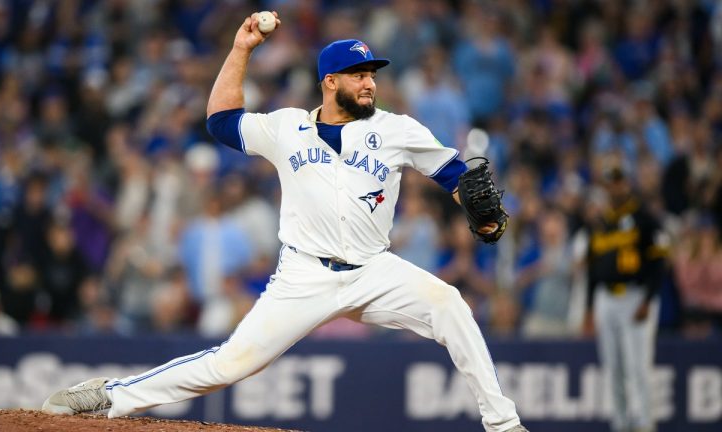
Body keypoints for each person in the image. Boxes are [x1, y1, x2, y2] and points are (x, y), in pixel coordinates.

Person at [42, 12, 527, 432]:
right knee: (230, 364)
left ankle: (503, 424)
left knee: (451, 305)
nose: (370, 82)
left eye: (372, 74)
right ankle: (110, 396)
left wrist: (480, 213)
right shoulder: (287, 127)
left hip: (374, 270)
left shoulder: (395, 129)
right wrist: (240, 49)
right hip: (304, 275)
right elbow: (220, 120)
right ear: (330, 82)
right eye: (358, 74)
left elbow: (454, 173)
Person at [582, 164, 667, 432]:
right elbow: (593, 270)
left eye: (619, 182)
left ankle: (644, 424)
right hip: (606, 298)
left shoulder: (644, 218)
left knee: (638, 367)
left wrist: (648, 299)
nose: (615, 187)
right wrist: (589, 309)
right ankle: (620, 424)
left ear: (626, 184)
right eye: (610, 183)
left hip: (636, 296)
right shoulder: (601, 223)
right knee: (613, 368)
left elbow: (659, 263)